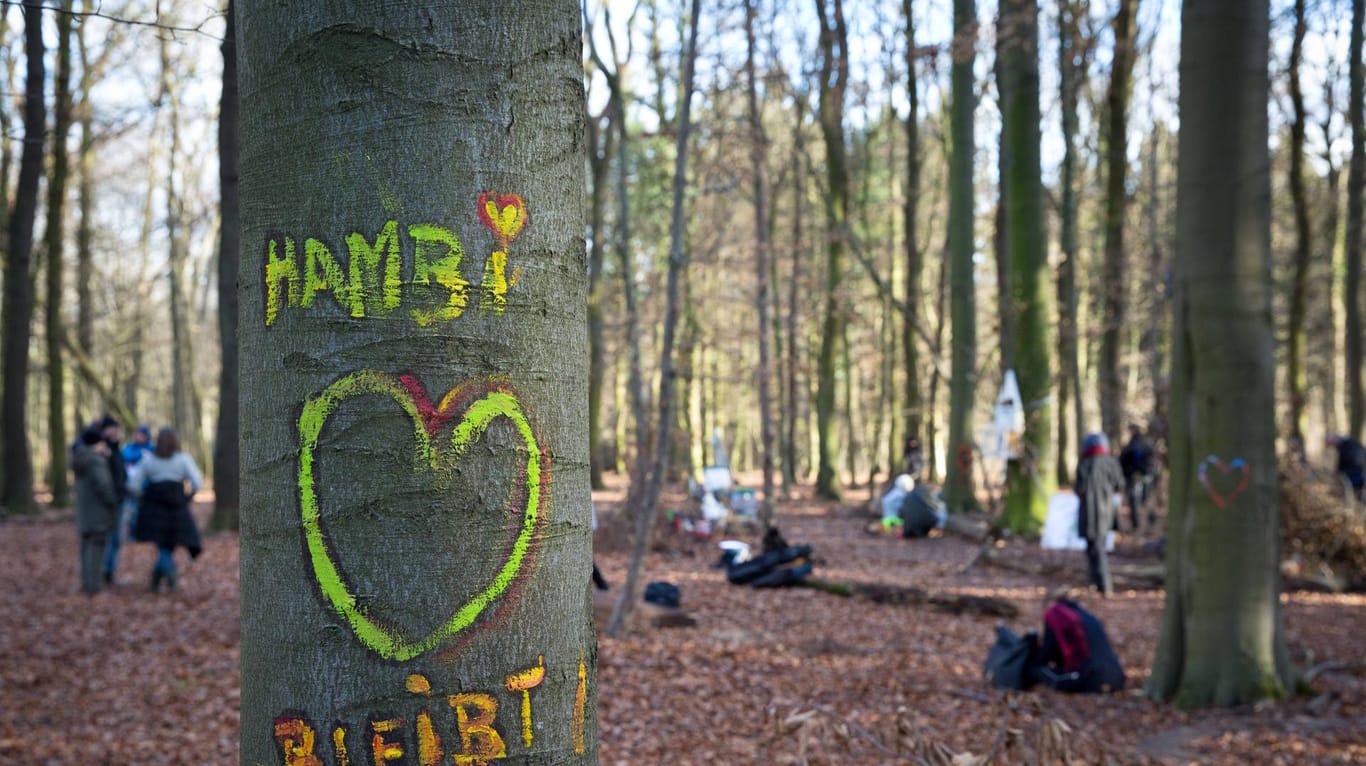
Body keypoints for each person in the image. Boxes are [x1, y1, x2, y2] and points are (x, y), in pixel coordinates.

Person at [129, 427, 203, 592]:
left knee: (164, 545)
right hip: (177, 507)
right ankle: (171, 579)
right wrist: (187, 498)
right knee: (166, 545)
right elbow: (197, 482)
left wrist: (142, 497)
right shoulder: (182, 460)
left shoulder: (149, 461)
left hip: (153, 508)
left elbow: (134, 484)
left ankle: (156, 581)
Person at [1032, 595, 1125, 694]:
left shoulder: (1055, 615)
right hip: (1118, 677)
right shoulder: (1087, 615)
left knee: (1037, 670)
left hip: (1090, 679)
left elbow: (1047, 652)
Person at [1075, 433, 1124, 597]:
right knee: (1097, 547)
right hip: (1106, 512)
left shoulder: (1084, 463)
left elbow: (1079, 488)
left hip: (1090, 513)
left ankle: (1103, 585)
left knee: (1096, 549)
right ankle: (1095, 583)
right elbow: (1119, 484)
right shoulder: (1111, 463)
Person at [72, 426, 120, 594]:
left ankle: (87, 583)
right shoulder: (96, 461)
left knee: (86, 549)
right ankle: (95, 587)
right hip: (98, 513)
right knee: (96, 550)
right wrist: (113, 501)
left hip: (84, 514)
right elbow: (104, 486)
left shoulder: (79, 458)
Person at [104, 423, 152, 583]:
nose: (137, 436)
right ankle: (106, 571)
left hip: (143, 489)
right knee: (124, 521)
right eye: (136, 433)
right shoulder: (124, 449)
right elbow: (126, 458)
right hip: (124, 492)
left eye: (140, 434)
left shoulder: (150, 448)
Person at [1118, 423, 1156, 532]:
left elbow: (1124, 460)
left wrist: (1130, 472)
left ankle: (1137, 525)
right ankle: (1149, 525)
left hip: (1136, 476)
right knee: (1146, 499)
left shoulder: (1133, 444)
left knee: (1135, 500)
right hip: (1146, 475)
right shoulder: (1147, 442)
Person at [1327, 435, 1365, 502]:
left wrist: (1338, 470)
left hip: (1352, 471)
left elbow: (1343, 460)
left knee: (1352, 488)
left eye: (1331, 443)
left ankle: (1354, 502)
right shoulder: (1351, 444)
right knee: (1357, 488)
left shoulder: (1344, 446)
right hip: (1357, 469)